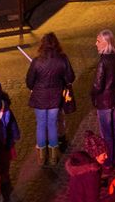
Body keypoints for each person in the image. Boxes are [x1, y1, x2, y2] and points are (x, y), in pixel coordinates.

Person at [26, 31, 76, 166]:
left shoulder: (37, 61)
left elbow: (29, 81)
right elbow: (70, 77)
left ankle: (42, 158)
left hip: (39, 98)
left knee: (41, 125)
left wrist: (34, 87)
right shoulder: (62, 59)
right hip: (55, 97)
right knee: (53, 124)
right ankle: (54, 156)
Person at [92, 29, 115, 164]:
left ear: (106, 43)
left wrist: (93, 95)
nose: (96, 44)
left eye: (98, 41)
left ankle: (108, 160)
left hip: (104, 101)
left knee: (106, 133)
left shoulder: (103, 62)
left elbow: (97, 85)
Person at [64, 132, 109, 202]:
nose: (107, 157)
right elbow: (92, 198)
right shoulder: (93, 173)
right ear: (95, 154)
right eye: (104, 154)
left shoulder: (82, 162)